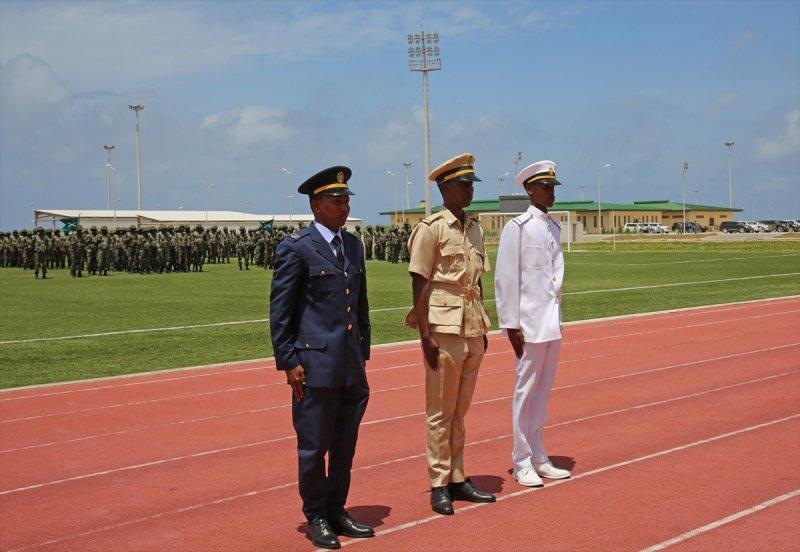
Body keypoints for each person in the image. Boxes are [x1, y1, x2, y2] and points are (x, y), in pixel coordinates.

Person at [270, 166, 373, 549]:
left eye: (346, 200)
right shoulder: (296, 247)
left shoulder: (352, 245)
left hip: (349, 364)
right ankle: (315, 516)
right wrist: (289, 361)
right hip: (313, 366)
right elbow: (280, 311)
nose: (344, 207)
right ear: (316, 205)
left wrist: (362, 350)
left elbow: (359, 304)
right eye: (336, 201)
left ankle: (337, 509)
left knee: (345, 444)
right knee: (314, 447)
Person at [405, 152, 496, 516]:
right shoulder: (432, 228)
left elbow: (478, 280)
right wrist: (424, 335)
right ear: (445, 188)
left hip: (472, 324)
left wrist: (484, 323)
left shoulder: (474, 227)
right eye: (463, 184)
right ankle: (439, 483)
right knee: (440, 411)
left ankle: (458, 477)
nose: (469, 189)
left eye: (471, 184)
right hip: (443, 327)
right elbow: (419, 283)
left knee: (460, 410)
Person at [494, 160, 572, 488]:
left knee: (542, 392)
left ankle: (539, 455)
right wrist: (510, 324)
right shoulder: (518, 227)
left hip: (551, 323)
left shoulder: (553, 227)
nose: (551, 192)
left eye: (553, 187)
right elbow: (506, 277)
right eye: (546, 187)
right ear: (530, 189)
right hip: (528, 324)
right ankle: (521, 458)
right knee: (525, 392)